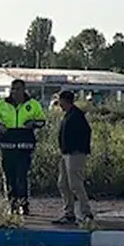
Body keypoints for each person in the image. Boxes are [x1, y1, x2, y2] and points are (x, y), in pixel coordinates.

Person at [0, 79, 46, 215]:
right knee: (9, 175)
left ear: (24, 89)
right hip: (8, 143)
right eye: (13, 89)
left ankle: (24, 204)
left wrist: (33, 123)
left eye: (18, 89)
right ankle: (12, 204)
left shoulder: (33, 104)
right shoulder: (2, 104)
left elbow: (42, 121)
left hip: (25, 142)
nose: (14, 92)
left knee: (22, 175)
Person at [52, 90, 94, 227]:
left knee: (75, 184)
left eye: (60, 102)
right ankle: (69, 212)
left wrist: (78, 148)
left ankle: (85, 212)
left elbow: (86, 133)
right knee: (63, 183)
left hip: (75, 154)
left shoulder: (76, 115)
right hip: (66, 154)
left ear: (66, 100)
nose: (59, 105)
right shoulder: (69, 115)